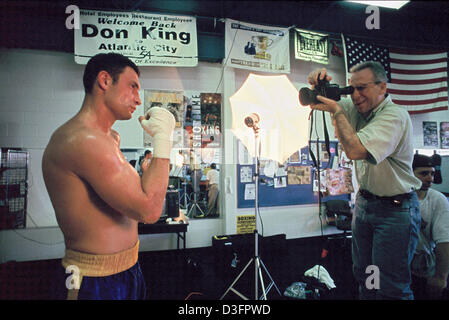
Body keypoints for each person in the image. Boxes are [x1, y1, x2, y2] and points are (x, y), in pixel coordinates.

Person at [42, 53, 175, 300]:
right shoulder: (84, 139)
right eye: (132, 86)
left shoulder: (109, 139)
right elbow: (149, 210)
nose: (138, 98)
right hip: (94, 279)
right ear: (104, 80)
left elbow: (136, 197)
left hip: (127, 268)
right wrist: (162, 139)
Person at [307, 61, 422, 299]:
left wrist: (337, 111)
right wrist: (316, 84)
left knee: (391, 287)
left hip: (395, 210)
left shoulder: (394, 116)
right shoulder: (358, 107)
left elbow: (356, 150)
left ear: (382, 87)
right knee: (366, 278)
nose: (356, 96)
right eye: (352, 89)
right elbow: (314, 101)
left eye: (362, 88)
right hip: (365, 205)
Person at [410, 154, 449, 299]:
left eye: (432, 173)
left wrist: (440, 277)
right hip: (400, 269)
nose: (430, 178)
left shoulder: (437, 200)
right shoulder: (398, 198)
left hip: (425, 270)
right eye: (423, 173)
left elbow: (444, 241)